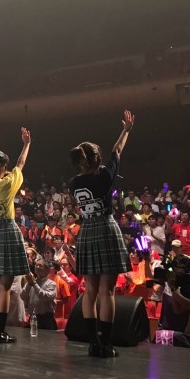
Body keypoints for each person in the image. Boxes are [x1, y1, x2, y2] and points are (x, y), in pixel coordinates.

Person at [68, 109, 135, 358]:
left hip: (87, 231)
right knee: (107, 291)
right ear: (97, 159)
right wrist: (125, 131)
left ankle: (93, 344)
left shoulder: (73, 184)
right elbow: (117, 151)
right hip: (106, 229)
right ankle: (106, 345)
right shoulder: (105, 177)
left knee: (90, 290)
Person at [0, 127, 32, 343]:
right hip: (7, 231)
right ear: (1, 167)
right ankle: (1, 331)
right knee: (5, 286)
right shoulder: (7, 184)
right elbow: (20, 164)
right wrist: (26, 144)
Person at [21, 260, 58, 330]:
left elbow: (44, 297)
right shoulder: (30, 282)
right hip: (32, 317)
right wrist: (29, 283)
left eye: (40, 266)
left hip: (46, 320)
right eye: (36, 265)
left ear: (47, 270)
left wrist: (34, 284)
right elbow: (23, 296)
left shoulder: (51, 284)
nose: (37, 267)